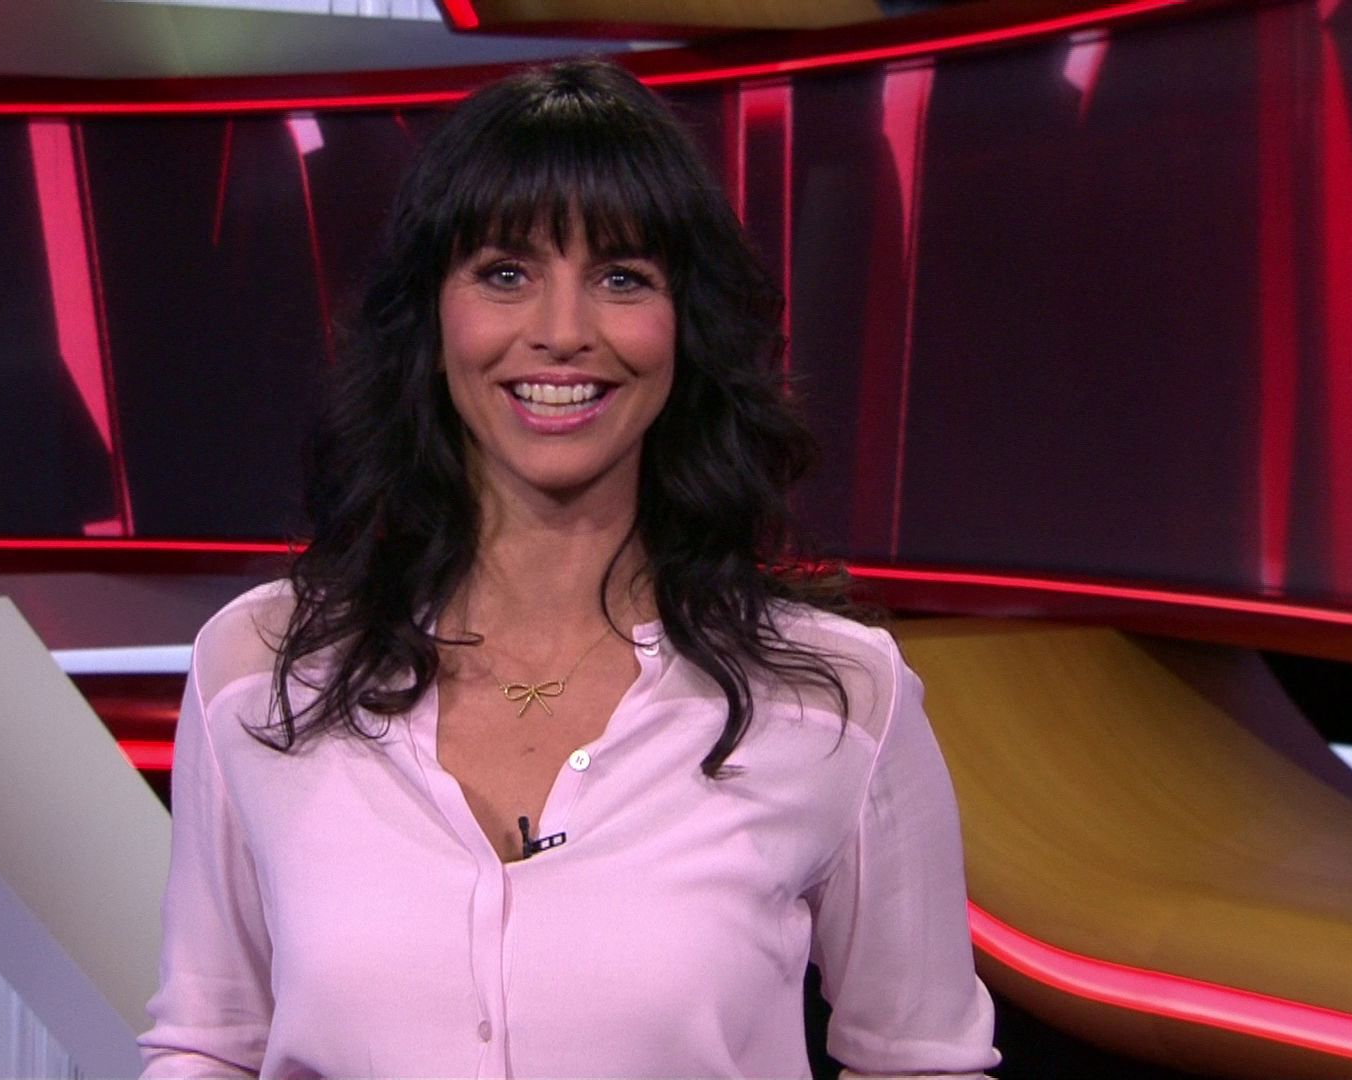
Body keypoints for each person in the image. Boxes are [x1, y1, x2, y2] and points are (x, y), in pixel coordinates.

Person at [139, 58, 998, 1079]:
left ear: (685, 327)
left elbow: (923, 1062)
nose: (561, 333)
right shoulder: (263, 671)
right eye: (506, 273)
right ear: (433, 317)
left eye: (621, 277)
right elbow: (209, 1044)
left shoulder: (835, 698)